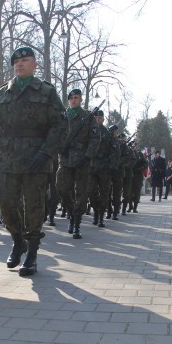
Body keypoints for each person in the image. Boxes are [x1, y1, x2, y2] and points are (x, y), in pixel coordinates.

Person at [0, 46, 65, 276]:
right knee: (4, 202)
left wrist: (46, 153)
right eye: (16, 61)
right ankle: (18, 240)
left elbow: (59, 125)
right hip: (7, 158)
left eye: (25, 60)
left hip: (36, 158)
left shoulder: (46, 92)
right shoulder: (3, 93)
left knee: (34, 206)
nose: (20, 64)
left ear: (35, 64)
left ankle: (32, 253)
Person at [57, 88, 100, 239]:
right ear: (68, 100)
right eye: (71, 98)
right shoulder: (62, 116)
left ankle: (76, 223)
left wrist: (88, 156)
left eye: (76, 97)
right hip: (65, 159)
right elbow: (54, 134)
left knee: (81, 193)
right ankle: (70, 212)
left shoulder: (87, 116)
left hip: (82, 160)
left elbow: (95, 138)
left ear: (80, 99)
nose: (74, 100)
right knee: (62, 188)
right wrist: (59, 148)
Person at [88, 112, 119, 228]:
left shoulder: (108, 134)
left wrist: (112, 167)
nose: (97, 120)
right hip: (91, 167)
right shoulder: (88, 132)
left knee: (104, 193)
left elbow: (114, 152)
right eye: (95, 117)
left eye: (99, 118)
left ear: (103, 119)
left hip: (104, 169)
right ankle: (95, 210)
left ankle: (101, 216)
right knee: (91, 192)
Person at [129, 140, 147, 212]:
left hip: (138, 176)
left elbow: (145, 164)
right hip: (130, 176)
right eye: (132, 146)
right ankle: (130, 206)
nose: (133, 147)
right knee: (129, 192)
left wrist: (140, 169)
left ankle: (135, 208)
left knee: (137, 193)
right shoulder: (128, 153)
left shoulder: (139, 154)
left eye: (134, 146)